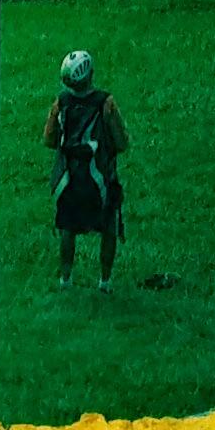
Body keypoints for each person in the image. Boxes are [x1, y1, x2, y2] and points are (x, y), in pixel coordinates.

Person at [47, 47, 130, 289]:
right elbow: (121, 142)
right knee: (108, 228)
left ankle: (65, 279)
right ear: (90, 74)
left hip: (70, 180)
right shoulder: (106, 103)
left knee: (68, 228)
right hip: (100, 180)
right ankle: (104, 281)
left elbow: (49, 139)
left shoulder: (60, 103)